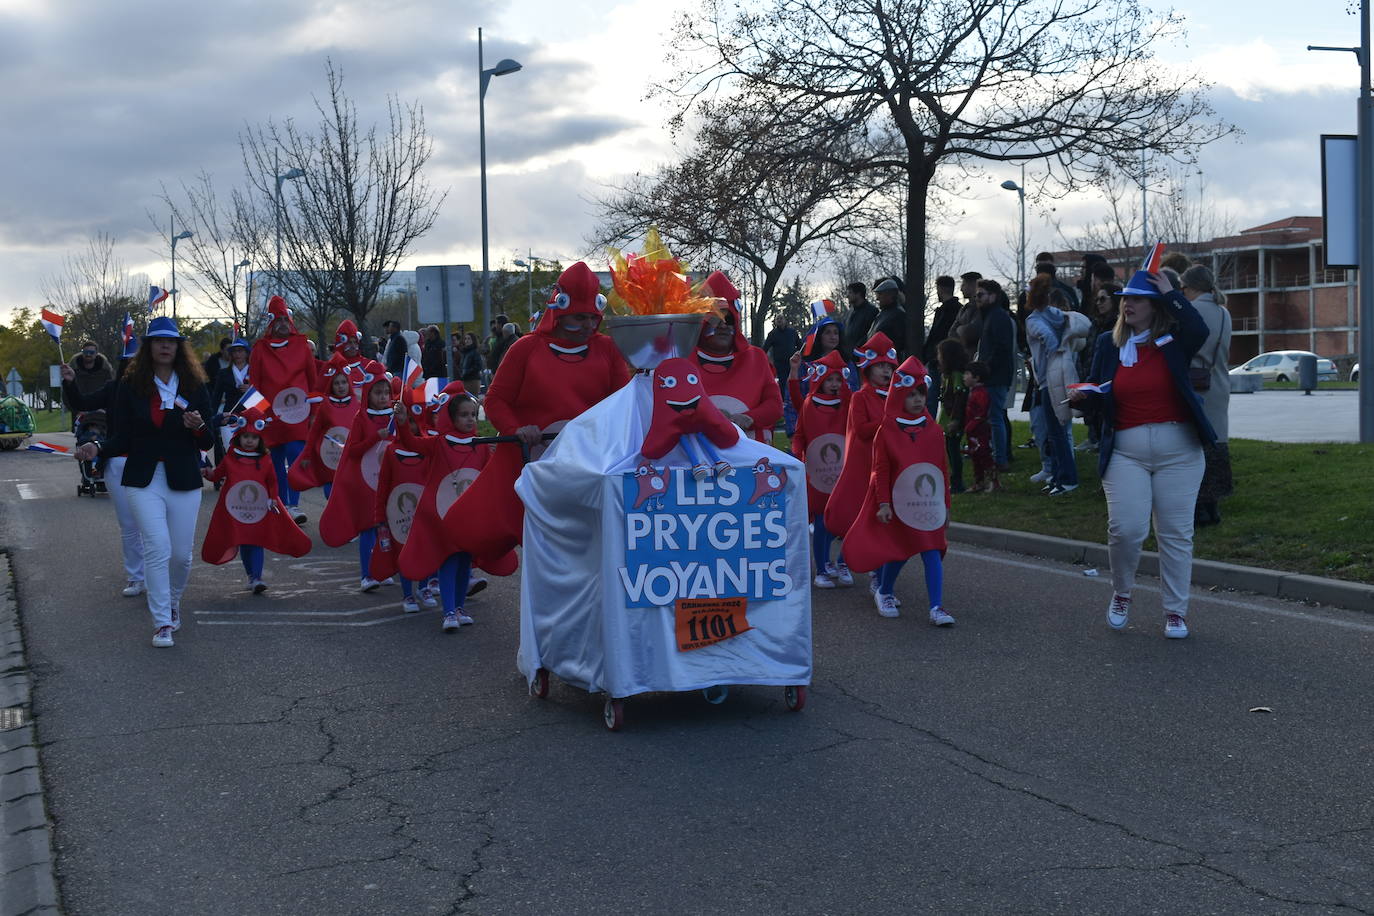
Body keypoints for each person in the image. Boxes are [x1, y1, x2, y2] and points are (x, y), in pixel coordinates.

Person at [447, 262, 630, 575]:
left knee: (594, 549)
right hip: (535, 467)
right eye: (579, 318)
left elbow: (623, 403)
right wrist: (516, 429)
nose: (588, 325)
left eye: (592, 317)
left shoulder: (608, 350)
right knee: (541, 548)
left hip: (592, 466)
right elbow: (496, 400)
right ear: (558, 312)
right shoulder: (526, 349)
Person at [1069, 270, 1216, 639]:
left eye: (1137, 298)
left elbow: (1199, 330)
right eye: (1125, 299)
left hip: (1180, 453)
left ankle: (1175, 611)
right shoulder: (1108, 343)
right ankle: (1122, 592)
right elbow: (1101, 396)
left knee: (1176, 534)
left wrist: (1170, 292)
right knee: (1126, 530)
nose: (1128, 304)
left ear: (1155, 305)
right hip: (1126, 453)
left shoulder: (1175, 339)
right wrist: (1085, 399)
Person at [73, 317, 214, 648]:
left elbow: (207, 443)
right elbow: (122, 436)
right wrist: (97, 447)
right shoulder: (130, 386)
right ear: (148, 346)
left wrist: (197, 426)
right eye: (158, 341)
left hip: (183, 477)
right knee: (157, 547)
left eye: (171, 341)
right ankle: (162, 621)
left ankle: (174, 603)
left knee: (180, 556)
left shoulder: (195, 386)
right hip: (142, 478)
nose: (165, 346)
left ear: (179, 347)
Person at [841, 356, 953, 624]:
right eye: (910, 394)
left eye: (921, 394)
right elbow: (881, 470)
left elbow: (942, 470)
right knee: (900, 551)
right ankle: (884, 590)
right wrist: (882, 503)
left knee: (932, 550)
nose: (916, 400)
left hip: (928, 505)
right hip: (898, 503)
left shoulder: (934, 431)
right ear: (898, 395)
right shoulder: (887, 430)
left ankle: (936, 607)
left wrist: (946, 505)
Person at [396, 383, 490, 630]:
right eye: (463, 415)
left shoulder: (481, 445)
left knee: (464, 562)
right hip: (443, 516)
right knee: (448, 560)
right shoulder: (438, 443)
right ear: (451, 417)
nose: (470, 419)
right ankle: (448, 612)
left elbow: (491, 476)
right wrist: (403, 422)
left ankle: (460, 608)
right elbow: (410, 443)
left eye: (473, 415)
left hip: (469, 516)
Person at [61, 340, 143, 597]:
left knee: (152, 526)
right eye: (128, 362)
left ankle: (157, 577)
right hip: (117, 461)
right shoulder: (113, 388)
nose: (133, 367)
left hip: (151, 463)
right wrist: (70, 382)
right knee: (129, 524)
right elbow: (82, 402)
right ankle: (136, 577)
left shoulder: (160, 390)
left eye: (138, 362)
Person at [200, 406, 312, 593]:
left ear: (260, 439)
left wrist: (273, 498)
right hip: (236, 509)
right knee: (244, 540)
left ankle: (258, 577)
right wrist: (208, 473)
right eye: (246, 437)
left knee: (257, 540)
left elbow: (272, 481)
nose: (249, 441)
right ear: (239, 437)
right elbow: (217, 475)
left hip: (260, 508)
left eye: (254, 438)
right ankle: (251, 576)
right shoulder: (231, 457)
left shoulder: (265, 459)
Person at [320, 365, 397, 590]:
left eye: (386, 393)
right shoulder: (362, 417)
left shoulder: (395, 416)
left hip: (389, 480)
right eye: (377, 393)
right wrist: (376, 437)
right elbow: (352, 451)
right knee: (368, 528)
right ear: (368, 394)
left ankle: (384, 569)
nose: (382, 397)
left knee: (389, 527)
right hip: (366, 482)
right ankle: (367, 575)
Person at [691, 271, 784, 445]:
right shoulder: (684, 361)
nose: (723, 326)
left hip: (752, 457)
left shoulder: (756, 358)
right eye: (715, 319)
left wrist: (748, 418)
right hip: (700, 456)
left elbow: (775, 406)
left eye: (729, 319)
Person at [824, 331, 898, 541]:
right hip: (866, 463)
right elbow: (863, 429)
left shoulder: (896, 397)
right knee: (860, 514)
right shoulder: (860, 397)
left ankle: (880, 565)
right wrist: (889, 421)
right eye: (881, 366)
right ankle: (850, 558)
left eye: (889, 367)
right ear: (868, 368)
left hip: (890, 462)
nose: (886, 371)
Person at [250, 296, 316, 524]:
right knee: (275, 460)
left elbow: (313, 380)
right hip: (271, 415)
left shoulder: (302, 345)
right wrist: (258, 416)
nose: (281, 325)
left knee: (295, 456)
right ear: (270, 322)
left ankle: (293, 504)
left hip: (298, 412)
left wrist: (314, 413)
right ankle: (279, 503)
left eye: (284, 320)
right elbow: (255, 386)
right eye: (277, 320)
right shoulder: (260, 349)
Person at [789, 350, 852, 589]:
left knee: (847, 519)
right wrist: (798, 456)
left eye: (839, 379)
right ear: (820, 379)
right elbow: (800, 434)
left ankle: (843, 562)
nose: (835, 384)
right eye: (830, 379)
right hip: (817, 472)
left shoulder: (848, 403)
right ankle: (823, 567)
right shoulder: (809, 404)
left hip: (844, 471)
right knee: (823, 521)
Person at [1181, 264, 1233, 526]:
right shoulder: (1224, 312)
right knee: (1216, 445)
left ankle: (1199, 507)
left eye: (1183, 288)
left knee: (1195, 446)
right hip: (1219, 383)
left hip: (1196, 383)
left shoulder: (1191, 311)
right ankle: (1213, 506)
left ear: (1190, 287)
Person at [1024, 276, 1080, 496]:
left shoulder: (1034, 320)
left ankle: (1067, 478)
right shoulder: (1058, 315)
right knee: (1058, 431)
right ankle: (1057, 477)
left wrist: (1053, 354)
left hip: (1049, 380)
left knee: (1055, 433)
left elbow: (1047, 337)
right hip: (1063, 375)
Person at [287, 371, 359, 496]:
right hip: (329, 456)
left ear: (349, 384)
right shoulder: (325, 404)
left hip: (349, 456)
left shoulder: (356, 404)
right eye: (336, 383)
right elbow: (314, 432)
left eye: (344, 382)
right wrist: (306, 455)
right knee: (330, 491)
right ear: (331, 385)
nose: (341, 386)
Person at [974, 279, 1016, 469]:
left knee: (996, 417)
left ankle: (1000, 459)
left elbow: (1002, 348)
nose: (977, 299)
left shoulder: (998, 317)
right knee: (994, 417)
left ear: (993, 296)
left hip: (996, 376)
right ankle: (996, 456)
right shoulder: (990, 316)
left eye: (981, 295)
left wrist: (986, 368)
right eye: (977, 295)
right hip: (992, 375)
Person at [935, 338, 969, 494]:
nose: (938, 358)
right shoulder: (947, 376)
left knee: (954, 451)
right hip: (947, 417)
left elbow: (959, 398)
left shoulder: (956, 376)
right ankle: (953, 481)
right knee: (949, 450)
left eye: (940, 355)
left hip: (952, 419)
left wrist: (956, 419)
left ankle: (957, 483)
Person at [922, 275, 961, 400]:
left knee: (932, 396)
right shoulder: (957, 309)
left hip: (939, 358)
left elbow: (936, 334)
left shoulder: (946, 311)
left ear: (941, 288)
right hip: (943, 358)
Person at [963, 361, 997, 492]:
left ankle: (994, 482)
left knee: (984, 455)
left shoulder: (981, 393)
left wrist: (971, 425)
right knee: (975, 456)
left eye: (967, 374)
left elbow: (981, 413)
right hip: (972, 431)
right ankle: (979, 482)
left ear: (976, 377)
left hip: (980, 430)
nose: (964, 377)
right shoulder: (973, 392)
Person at [870, 278, 907, 358]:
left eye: (880, 294)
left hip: (888, 361)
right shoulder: (882, 314)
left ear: (890, 294)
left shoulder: (898, 315)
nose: (877, 298)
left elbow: (899, 343)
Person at [841, 282, 877, 354]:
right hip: (848, 355)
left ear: (858, 294)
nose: (847, 296)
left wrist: (857, 348)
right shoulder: (850, 312)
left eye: (850, 293)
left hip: (863, 355)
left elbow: (872, 334)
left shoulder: (872, 311)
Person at [952, 272, 984, 352]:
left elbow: (971, 332)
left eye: (963, 285)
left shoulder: (982, 308)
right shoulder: (964, 309)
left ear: (973, 286)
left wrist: (959, 329)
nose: (961, 289)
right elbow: (951, 332)